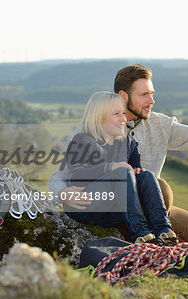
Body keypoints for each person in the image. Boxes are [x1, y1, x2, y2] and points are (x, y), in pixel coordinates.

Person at [49, 64, 188, 248]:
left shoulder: (160, 124)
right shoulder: (94, 129)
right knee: (163, 191)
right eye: (144, 95)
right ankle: (151, 236)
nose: (152, 101)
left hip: (150, 203)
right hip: (111, 208)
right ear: (124, 96)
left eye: (152, 93)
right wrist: (62, 192)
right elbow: (62, 173)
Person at [63, 91, 178, 245]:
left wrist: (137, 172)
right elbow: (75, 176)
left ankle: (164, 230)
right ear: (99, 117)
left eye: (123, 113)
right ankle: (140, 233)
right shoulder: (83, 140)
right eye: (116, 114)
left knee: (147, 176)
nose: (123, 118)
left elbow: (135, 170)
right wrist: (110, 168)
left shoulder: (128, 142)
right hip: (86, 206)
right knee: (121, 173)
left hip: (113, 213)